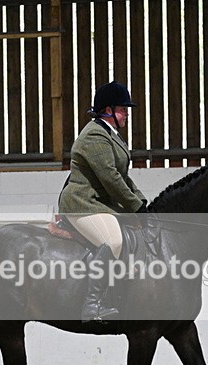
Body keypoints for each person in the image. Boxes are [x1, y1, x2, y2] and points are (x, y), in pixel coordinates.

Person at [58, 81, 148, 323]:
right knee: (113, 240)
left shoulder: (111, 135)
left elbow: (124, 177)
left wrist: (143, 203)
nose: (127, 113)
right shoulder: (95, 134)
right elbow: (110, 178)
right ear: (107, 110)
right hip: (82, 204)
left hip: (99, 204)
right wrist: (134, 207)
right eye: (122, 109)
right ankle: (92, 305)